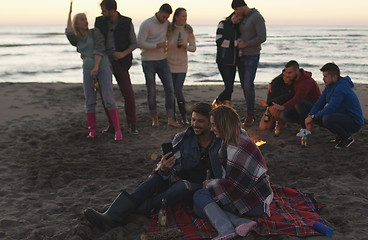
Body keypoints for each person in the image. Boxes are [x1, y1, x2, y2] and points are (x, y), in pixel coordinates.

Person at [83, 103, 223, 229]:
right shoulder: (183, 138)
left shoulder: (220, 141)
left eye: (200, 121)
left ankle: (121, 210)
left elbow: (226, 172)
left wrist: (213, 182)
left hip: (201, 187)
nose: (195, 124)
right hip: (176, 179)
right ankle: (112, 216)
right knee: (157, 178)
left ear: (211, 124)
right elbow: (171, 170)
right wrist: (164, 168)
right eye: (193, 120)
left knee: (183, 185)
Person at [193, 105, 273, 240]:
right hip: (254, 196)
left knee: (200, 196)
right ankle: (240, 222)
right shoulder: (236, 137)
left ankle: (225, 228)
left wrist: (211, 184)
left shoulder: (237, 145)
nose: (212, 129)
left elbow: (236, 187)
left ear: (223, 124)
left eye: (214, 125)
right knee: (199, 208)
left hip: (255, 202)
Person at [65, 1, 122, 141]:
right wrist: (70, 12)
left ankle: (118, 131)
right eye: (82, 20)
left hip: (102, 67)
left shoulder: (94, 32)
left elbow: (99, 49)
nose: (85, 22)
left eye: (85, 19)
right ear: (77, 23)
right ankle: (92, 131)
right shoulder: (77, 38)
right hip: (87, 69)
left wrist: (96, 67)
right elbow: (68, 31)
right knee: (90, 101)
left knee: (109, 99)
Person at [95, 0, 138, 135]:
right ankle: (112, 125)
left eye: (104, 10)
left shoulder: (126, 22)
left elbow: (134, 43)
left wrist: (122, 54)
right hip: (104, 62)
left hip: (121, 61)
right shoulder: (99, 22)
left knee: (128, 93)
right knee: (105, 95)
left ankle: (132, 125)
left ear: (112, 10)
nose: (102, 13)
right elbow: (95, 41)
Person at [137, 3, 180, 127]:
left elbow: (176, 29)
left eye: (167, 17)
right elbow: (139, 43)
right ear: (159, 12)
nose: (165, 19)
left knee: (170, 88)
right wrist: (156, 46)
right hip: (148, 60)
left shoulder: (166, 24)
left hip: (162, 60)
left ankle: (170, 118)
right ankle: (154, 119)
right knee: (151, 90)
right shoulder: (147, 24)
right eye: (163, 17)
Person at [305, 62, 364, 148]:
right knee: (318, 117)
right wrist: (310, 116)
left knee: (326, 118)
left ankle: (347, 138)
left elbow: (331, 108)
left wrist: (314, 116)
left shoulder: (341, 87)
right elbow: (319, 104)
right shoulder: (329, 87)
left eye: (325, 76)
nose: (323, 79)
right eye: (323, 76)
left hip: (354, 121)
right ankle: (340, 135)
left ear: (335, 77)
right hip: (342, 117)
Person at [231, 0, 266, 127]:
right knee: (244, 85)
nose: (236, 12)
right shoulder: (243, 18)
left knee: (247, 85)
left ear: (241, 6)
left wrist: (246, 44)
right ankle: (249, 113)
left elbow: (262, 37)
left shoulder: (257, 17)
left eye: (236, 10)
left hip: (252, 55)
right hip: (241, 55)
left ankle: (250, 114)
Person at [271, 60, 321, 137]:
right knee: (283, 115)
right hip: (301, 106)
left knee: (298, 102)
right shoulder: (294, 78)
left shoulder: (306, 81)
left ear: (297, 71)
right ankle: (308, 122)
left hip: (314, 107)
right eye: (286, 72)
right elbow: (282, 77)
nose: (287, 75)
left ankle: (305, 128)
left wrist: (283, 106)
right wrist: (271, 84)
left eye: (290, 73)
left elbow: (298, 98)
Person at [167, 7, 197, 125]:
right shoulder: (169, 29)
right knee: (170, 91)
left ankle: (184, 117)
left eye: (186, 16)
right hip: (168, 64)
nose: (185, 18)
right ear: (176, 17)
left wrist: (185, 46)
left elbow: (193, 48)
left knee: (178, 90)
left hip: (182, 65)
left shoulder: (188, 30)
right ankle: (172, 117)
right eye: (183, 16)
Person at [212, 12, 243, 107]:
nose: (236, 19)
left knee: (229, 87)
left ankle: (226, 106)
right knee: (229, 88)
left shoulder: (238, 28)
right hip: (223, 60)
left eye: (239, 19)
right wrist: (234, 43)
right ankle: (216, 103)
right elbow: (219, 41)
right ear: (233, 14)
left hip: (233, 62)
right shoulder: (223, 24)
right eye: (236, 16)